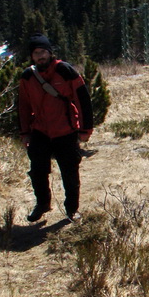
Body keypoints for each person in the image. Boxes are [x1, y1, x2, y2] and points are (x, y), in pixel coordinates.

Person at [18, 34, 94, 222]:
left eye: (43, 52)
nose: (40, 56)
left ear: (50, 52)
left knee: (69, 172)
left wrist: (85, 130)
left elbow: (83, 100)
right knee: (37, 171)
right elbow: (23, 106)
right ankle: (42, 204)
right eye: (36, 53)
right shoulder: (28, 77)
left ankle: (72, 209)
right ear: (32, 56)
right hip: (40, 131)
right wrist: (25, 133)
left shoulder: (65, 71)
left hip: (66, 130)